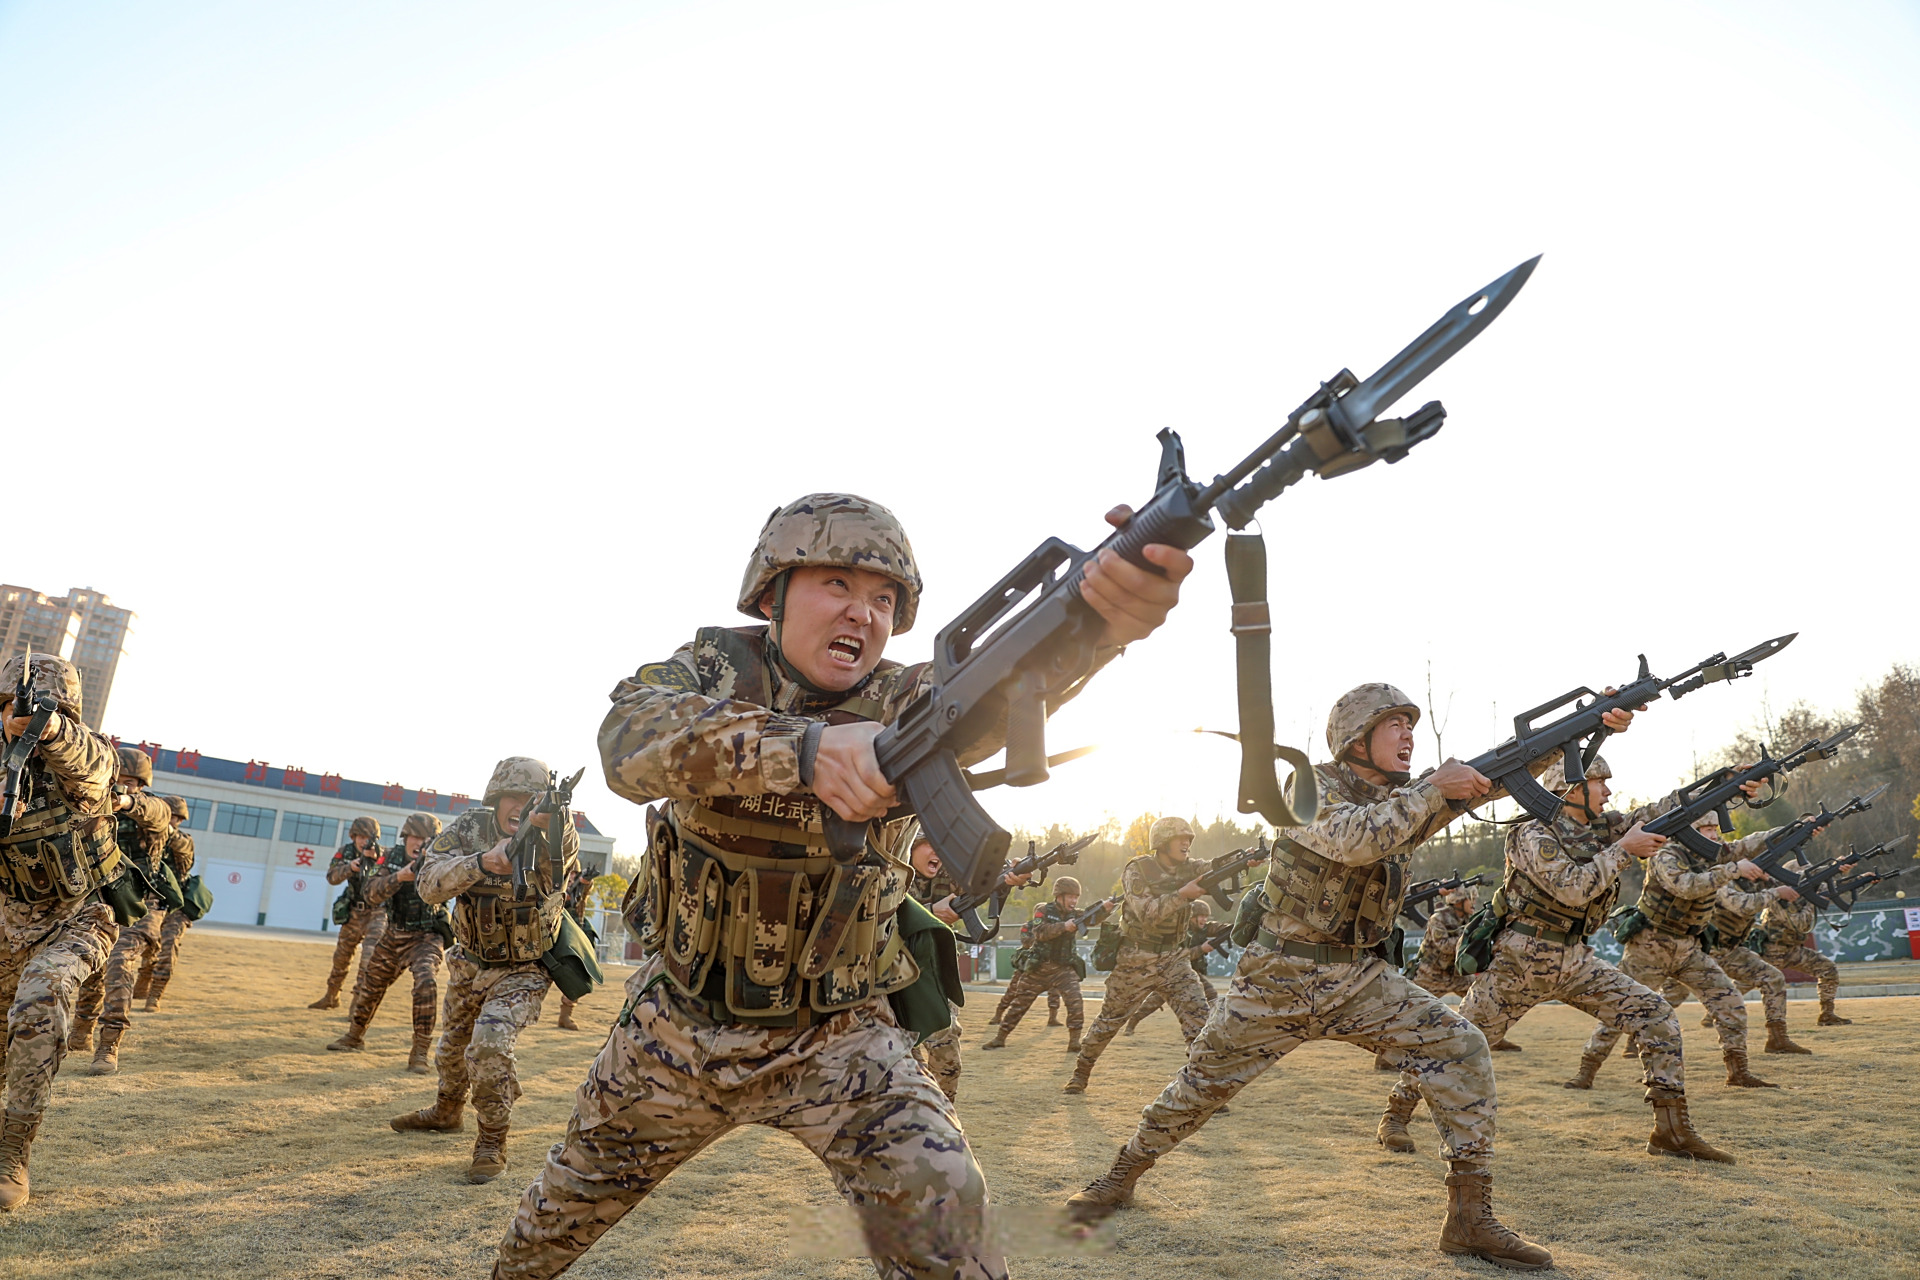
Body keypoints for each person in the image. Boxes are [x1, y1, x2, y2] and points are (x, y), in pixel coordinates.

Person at [493, 490, 1188, 1279]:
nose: (863, 612)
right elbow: (627, 739)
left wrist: (1098, 628)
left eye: (884, 599)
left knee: (953, 1227)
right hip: (677, 1026)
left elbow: (1004, 693)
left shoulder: (908, 702)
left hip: (841, 1037)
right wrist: (808, 750)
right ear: (772, 596)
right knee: (542, 1237)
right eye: (837, 585)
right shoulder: (712, 668)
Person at [1069, 684, 1574, 1272]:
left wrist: (1572, 738)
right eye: (1395, 725)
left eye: (1411, 725)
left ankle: (1468, 1219)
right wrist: (1435, 788)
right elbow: (1354, 840)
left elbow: (1486, 780)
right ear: (1356, 739)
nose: (1409, 735)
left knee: (1460, 1045)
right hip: (1278, 976)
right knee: (1201, 1083)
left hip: (1358, 977)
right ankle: (1120, 1175)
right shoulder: (1309, 787)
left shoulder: (1404, 799)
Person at [1449, 753, 1747, 1168]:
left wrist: (1724, 784)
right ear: (1570, 788)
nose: (1608, 791)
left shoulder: (1602, 827)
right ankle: (1397, 1114)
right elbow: (1572, 889)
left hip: (1575, 958)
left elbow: (1659, 812)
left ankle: (1671, 1132)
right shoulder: (1532, 832)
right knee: (1456, 1046)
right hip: (1521, 961)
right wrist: (1624, 850)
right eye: (1599, 782)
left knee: (1656, 1015)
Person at [389, 760, 578, 1183]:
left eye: (530, 799)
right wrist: (481, 862)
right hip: (470, 962)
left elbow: (563, 850)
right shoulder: (468, 829)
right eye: (513, 797)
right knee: (451, 1051)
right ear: (495, 798)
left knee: (489, 1045)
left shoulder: (554, 833)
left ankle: (492, 1140)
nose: (520, 807)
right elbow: (427, 884)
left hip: (525, 967)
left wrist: (551, 822)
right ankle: (446, 1111)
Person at [0, 654, 126, 1210]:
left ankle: (12, 1154)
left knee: (42, 1000)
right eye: (10, 705)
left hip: (78, 917)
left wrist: (46, 727)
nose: (18, 713)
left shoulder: (89, 756)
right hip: (8, 920)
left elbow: (90, 763)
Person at [1575, 808, 1783, 1088]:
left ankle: (1738, 1071)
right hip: (1650, 946)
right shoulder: (1666, 854)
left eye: (1715, 829)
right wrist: (1733, 869)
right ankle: (1586, 1071)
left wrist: (1790, 830)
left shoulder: (1711, 855)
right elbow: (1687, 886)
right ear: (1691, 831)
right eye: (1707, 829)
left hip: (1689, 948)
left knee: (1729, 1001)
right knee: (1621, 1009)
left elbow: (1746, 845)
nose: (1714, 835)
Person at [1062, 816, 1214, 1095]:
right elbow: (1147, 913)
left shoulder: (1190, 867)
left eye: (1189, 839)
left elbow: (1215, 867)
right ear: (1162, 842)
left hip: (1174, 959)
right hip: (1136, 958)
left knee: (1200, 1020)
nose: (1186, 844)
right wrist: (1183, 894)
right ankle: (1081, 1073)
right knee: (1109, 1022)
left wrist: (1247, 860)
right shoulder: (1138, 870)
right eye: (1180, 839)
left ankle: (1202, 1087)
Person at [68, 746, 178, 1076]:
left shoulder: (154, 808)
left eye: (129, 782)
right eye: (117, 780)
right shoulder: (93, 804)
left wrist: (126, 802)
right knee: (93, 965)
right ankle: (81, 1032)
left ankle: (109, 1043)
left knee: (119, 962)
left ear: (141, 784)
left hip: (141, 904)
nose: (120, 786)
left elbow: (155, 812)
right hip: (100, 900)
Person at [327, 812, 446, 1072]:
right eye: (414, 837)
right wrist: (399, 877)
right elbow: (370, 893)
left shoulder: (441, 863)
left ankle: (420, 1052)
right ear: (405, 837)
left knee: (426, 981)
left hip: (426, 936)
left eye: (425, 839)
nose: (419, 843)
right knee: (371, 984)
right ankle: (355, 1036)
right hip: (394, 933)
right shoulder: (390, 858)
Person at [1650, 875, 1810, 1055]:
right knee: (1674, 995)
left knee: (1773, 978)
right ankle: (1639, 1037)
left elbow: (1793, 899)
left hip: (1731, 951)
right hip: (1702, 951)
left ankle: (1778, 1040)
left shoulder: (1761, 884)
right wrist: (1776, 893)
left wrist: (1815, 886)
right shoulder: (1723, 880)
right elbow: (1743, 905)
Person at [981, 875, 1097, 1052]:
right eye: (1070, 897)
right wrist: (1063, 926)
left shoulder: (1076, 914)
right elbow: (1039, 933)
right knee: (1019, 1005)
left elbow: (1093, 917)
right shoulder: (1043, 910)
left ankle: (1074, 1042)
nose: (1074, 901)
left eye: (1076, 897)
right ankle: (1000, 1038)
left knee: (1076, 1003)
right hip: (1039, 968)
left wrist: (1106, 908)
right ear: (1059, 896)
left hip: (1063, 969)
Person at [310, 816, 387, 1010]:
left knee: (368, 959)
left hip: (377, 912)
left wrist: (375, 862)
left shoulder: (384, 855)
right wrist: (350, 868)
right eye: (360, 837)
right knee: (341, 957)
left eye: (368, 837)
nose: (363, 841)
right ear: (353, 836)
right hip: (354, 911)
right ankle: (331, 996)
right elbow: (332, 877)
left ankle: (358, 1003)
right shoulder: (346, 852)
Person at [133, 796, 197, 1011]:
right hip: (151, 901)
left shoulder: (183, 840)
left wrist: (160, 825)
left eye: (175, 817)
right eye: (168, 816)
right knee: (149, 946)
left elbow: (180, 845)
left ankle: (155, 995)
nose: (171, 820)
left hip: (176, 907)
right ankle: (145, 976)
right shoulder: (147, 838)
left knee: (168, 950)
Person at [1123, 899, 1222, 1036]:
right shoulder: (1179, 932)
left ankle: (1212, 1026)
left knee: (1211, 994)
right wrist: (1201, 949)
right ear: (1192, 917)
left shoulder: (1202, 929)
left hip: (1191, 973)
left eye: (1206, 916)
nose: (1204, 920)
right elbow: (1178, 956)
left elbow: (1219, 928)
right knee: (1154, 1002)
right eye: (1201, 916)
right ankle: (1133, 1021)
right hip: (1172, 973)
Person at [1754, 892, 1851, 1026]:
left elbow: (1831, 887)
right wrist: (1813, 902)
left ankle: (1827, 1015)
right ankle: (1720, 1013)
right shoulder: (1778, 901)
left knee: (1827, 969)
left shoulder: (1801, 897)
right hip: (1772, 952)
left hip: (1792, 950)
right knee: (1741, 985)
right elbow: (1799, 923)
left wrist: (1861, 881)